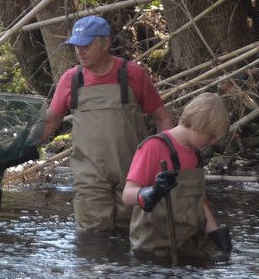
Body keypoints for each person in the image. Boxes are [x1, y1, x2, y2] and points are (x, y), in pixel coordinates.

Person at [34, 15, 173, 234]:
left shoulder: (132, 74)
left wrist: (169, 159)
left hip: (132, 176)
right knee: (92, 239)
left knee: (131, 234)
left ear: (106, 43)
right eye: (76, 45)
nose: (79, 51)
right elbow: (51, 121)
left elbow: (162, 118)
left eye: (86, 45)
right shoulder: (71, 80)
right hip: (90, 177)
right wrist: (24, 147)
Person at [123, 92, 232, 262]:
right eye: (211, 136)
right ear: (199, 124)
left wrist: (216, 235)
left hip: (185, 247)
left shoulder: (195, 156)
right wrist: (151, 192)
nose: (213, 142)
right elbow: (127, 195)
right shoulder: (153, 147)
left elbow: (200, 203)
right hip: (151, 251)